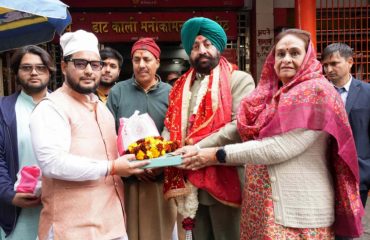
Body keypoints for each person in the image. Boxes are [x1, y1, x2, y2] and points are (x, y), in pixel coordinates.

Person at [177, 29, 365, 239]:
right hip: (265, 212)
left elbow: (280, 147)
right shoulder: (271, 96)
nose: (286, 59)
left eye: (294, 53)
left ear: (308, 58)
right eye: (280, 54)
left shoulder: (317, 92)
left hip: (300, 214)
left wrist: (216, 154)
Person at [29, 30, 148, 240]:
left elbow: (113, 159)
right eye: (80, 63)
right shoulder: (52, 108)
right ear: (64, 66)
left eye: (95, 65)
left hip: (113, 225)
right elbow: (52, 163)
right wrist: (112, 168)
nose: (89, 71)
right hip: (71, 230)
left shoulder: (102, 109)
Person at [163, 17, 255, 240]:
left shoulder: (239, 79)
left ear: (218, 47)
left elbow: (237, 126)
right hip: (190, 177)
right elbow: (170, 124)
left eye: (207, 44)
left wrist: (198, 147)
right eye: (195, 46)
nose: (202, 50)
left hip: (226, 174)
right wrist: (165, 149)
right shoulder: (180, 87)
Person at [107, 38, 177, 240]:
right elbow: (109, 133)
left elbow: (174, 131)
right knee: (129, 232)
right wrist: (133, 168)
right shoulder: (118, 91)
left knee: (160, 233)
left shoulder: (170, 93)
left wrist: (158, 165)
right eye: (136, 59)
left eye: (147, 59)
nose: (142, 65)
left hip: (160, 180)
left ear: (158, 62)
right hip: (128, 179)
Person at [0, 45, 54, 240]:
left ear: (50, 71)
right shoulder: (4, 110)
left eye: (41, 67)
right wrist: (9, 194)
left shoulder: (62, 107)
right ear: (16, 72)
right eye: (26, 67)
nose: (34, 72)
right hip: (17, 212)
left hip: (59, 207)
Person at [322, 43, 370, 209]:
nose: (329, 70)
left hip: (358, 172)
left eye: (334, 64)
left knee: (349, 231)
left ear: (350, 62)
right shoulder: (320, 93)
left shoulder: (367, 92)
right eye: (325, 65)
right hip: (325, 172)